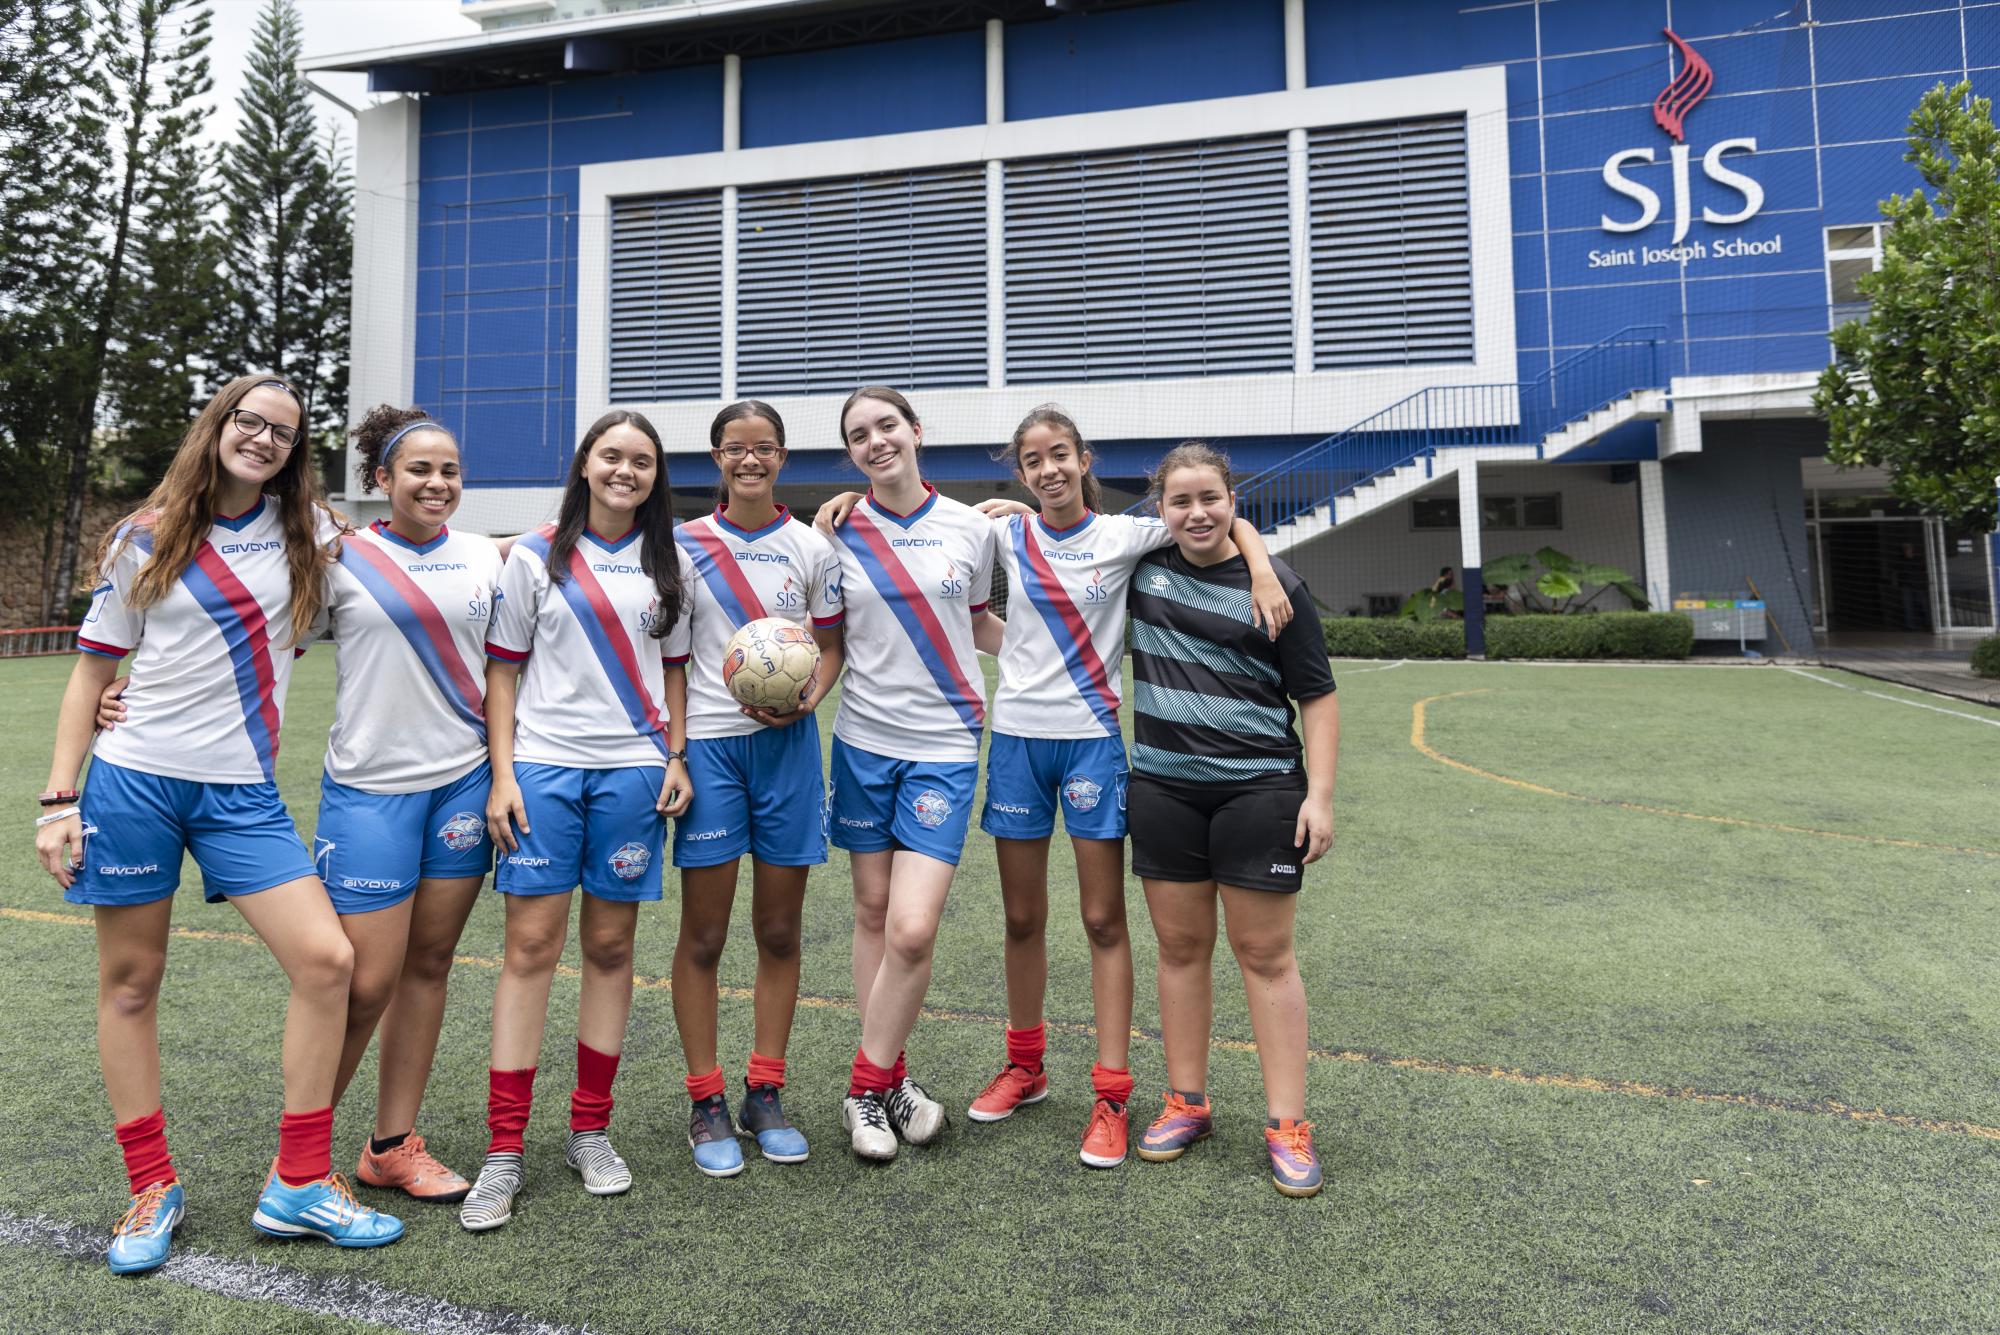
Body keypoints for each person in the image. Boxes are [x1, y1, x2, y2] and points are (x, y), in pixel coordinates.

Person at [817, 405, 1291, 1169]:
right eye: (1033, 460)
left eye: (1059, 454)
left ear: (1083, 458)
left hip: (1092, 747)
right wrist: (839, 505)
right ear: (1021, 470)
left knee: (1104, 919)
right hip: (1015, 743)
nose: (1048, 470)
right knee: (1021, 918)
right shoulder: (998, 531)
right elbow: (949, 582)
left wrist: (1262, 565)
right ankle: (1027, 1065)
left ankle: (1110, 1092)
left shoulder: (1128, 534)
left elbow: (1216, 517)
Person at [35, 374, 402, 1274]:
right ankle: (151, 1185)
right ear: (220, 423)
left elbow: (427, 551)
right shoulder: (144, 535)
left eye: (283, 432)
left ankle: (300, 1182)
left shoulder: (310, 532)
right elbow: (93, 673)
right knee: (131, 982)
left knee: (328, 961)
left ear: (294, 452)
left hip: (242, 793)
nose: (265, 439)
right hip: (135, 787)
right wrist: (58, 800)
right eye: (251, 421)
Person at [459, 410, 696, 1230]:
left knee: (610, 947)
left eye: (641, 460)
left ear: (655, 474)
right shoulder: (534, 554)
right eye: (612, 456)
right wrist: (502, 775)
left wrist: (674, 755)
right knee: (528, 948)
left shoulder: (672, 562)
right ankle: (504, 1148)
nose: (625, 470)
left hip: (633, 774)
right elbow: (504, 674)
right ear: (585, 465)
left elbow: (676, 672)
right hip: (544, 771)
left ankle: (590, 1129)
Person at [1124, 442, 1338, 1199]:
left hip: (1259, 791)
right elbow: (1069, 531)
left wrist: (1319, 795)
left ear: (1231, 501)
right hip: (1162, 789)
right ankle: (1187, 1101)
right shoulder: (1141, 570)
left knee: (1266, 955)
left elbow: (1316, 693)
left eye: (1210, 497)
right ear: (1160, 511)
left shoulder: (1277, 585)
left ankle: (1287, 1124)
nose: (1196, 512)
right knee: (1180, 947)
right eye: (1180, 501)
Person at [819, 387, 1000, 1162]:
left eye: (887, 425)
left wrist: (1064, 648)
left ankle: (863, 1084)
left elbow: (984, 622)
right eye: (859, 435)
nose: (876, 441)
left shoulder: (973, 527)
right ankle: (891, 1083)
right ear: (852, 453)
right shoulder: (832, 533)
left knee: (913, 926)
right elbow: (826, 640)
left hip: (946, 743)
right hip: (861, 740)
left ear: (916, 431)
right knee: (869, 911)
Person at [667, 401, 844, 1176]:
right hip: (710, 752)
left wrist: (810, 697)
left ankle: (764, 1089)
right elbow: (671, 662)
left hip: (789, 753)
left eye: (763, 448)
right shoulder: (679, 546)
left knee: (778, 931)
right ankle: (705, 1099)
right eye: (735, 449)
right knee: (703, 936)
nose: (749, 460)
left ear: (781, 457)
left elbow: (830, 645)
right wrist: (675, 749)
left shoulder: (811, 547)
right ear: (715, 458)